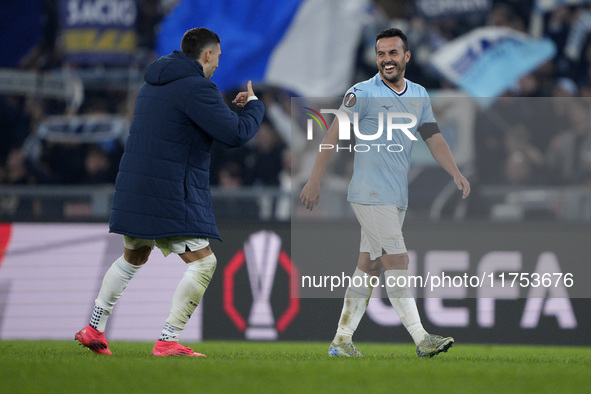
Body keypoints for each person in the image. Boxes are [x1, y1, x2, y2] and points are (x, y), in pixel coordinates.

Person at [75, 27, 265, 357]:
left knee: (133, 256)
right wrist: (254, 106)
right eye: (218, 57)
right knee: (203, 264)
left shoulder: (153, 83)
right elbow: (235, 134)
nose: (219, 64)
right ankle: (168, 338)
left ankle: (93, 327)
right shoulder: (196, 88)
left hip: (135, 187)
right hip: (168, 191)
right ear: (207, 55)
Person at [300, 27, 470, 358]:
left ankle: (342, 341)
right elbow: (333, 134)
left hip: (395, 194)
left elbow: (433, 137)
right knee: (397, 259)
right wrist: (314, 179)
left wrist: (455, 171)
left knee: (370, 265)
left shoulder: (419, 94)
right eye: (381, 54)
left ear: (406, 57)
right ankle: (422, 339)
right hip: (369, 192)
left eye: (392, 53)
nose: (386, 60)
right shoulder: (362, 92)